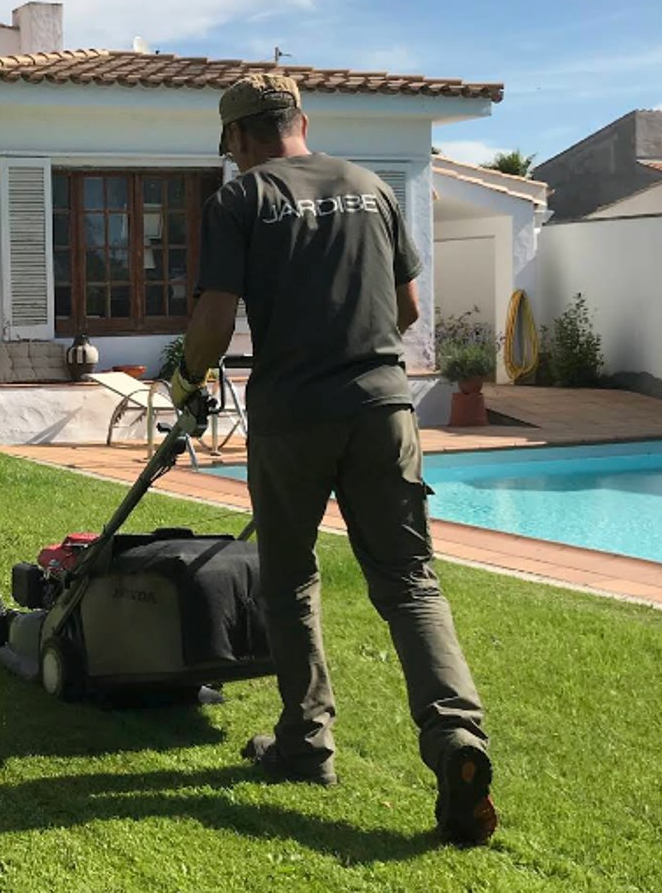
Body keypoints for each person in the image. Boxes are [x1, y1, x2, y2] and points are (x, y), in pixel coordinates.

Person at [168, 73, 498, 847]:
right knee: (410, 582)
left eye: (232, 147)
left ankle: (307, 744)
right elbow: (407, 308)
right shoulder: (372, 189)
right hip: (384, 410)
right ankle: (456, 737)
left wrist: (185, 379)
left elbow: (213, 320)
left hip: (293, 416)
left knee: (289, 581)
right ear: (302, 122)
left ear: (240, 137)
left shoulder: (242, 200)